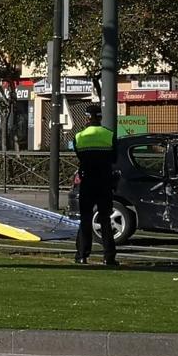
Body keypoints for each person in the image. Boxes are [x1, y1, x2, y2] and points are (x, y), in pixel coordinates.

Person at [73, 105, 119, 267]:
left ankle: (82, 255)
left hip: (87, 181)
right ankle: (109, 257)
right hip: (104, 181)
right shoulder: (109, 135)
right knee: (105, 219)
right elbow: (114, 158)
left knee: (85, 218)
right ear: (100, 118)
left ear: (86, 118)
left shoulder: (79, 136)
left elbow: (79, 156)